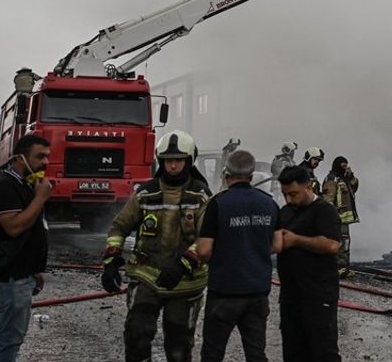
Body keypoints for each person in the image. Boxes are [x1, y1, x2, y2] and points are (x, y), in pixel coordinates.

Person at [102, 130, 212, 362]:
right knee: (137, 335)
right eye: (168, 160)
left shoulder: (201, 196)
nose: (173, 166)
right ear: (160, 161)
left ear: (189, 161)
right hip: (146, 278)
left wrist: (182, 265)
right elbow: (119, 227)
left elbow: (207, 238)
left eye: (178, 160)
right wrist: (111, 260)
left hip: (185, 283)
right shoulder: (145, 194)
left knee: (178, 347)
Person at [196, 150, 281, 362]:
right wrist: (255, 249)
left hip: (224, 291)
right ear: (251, 176)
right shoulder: (269, 203)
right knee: (255, 353)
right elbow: (278, 245)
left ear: (226, 174)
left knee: (213, 353)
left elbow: (204, 250)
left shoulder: (218, 204)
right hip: (257, 291)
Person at [0, 134, 51, 362]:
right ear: (19, 158)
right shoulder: (5, 187)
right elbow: (15, 227)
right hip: (9, 280)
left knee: (12, 338)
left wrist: (35, 269)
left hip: (22, 275)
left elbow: (32, 231)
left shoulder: (25, 185)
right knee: (9, 340)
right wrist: (40, 198)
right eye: (39, 157)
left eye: (47, 156)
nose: (46, 162)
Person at [275, 164, 341, 362]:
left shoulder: (324, 211)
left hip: (318, 296)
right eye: (285, 194)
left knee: (323, 351)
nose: (289, 199)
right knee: (293, 351)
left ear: (308, 187)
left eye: (294, 194)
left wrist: (296, 240)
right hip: (290, 296)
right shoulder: (285, 212)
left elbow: (331, 245)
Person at [321, 156, 360, 278]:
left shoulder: (345, 178)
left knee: (345, 243)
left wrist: (351, 175)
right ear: (337, 165)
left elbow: (354, 187)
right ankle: (336, 268)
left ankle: (344, 268)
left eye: (346, 165)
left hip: (345, 220)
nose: (345, 168)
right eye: (343, 166)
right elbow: (328, 200)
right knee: (338, 243)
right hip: (337, 218)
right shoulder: (332, 179)